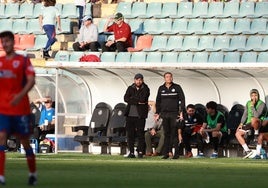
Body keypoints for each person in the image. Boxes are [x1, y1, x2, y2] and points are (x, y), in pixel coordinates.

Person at [0, 31, 37, 185]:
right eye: (2, 42)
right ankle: (1, 175)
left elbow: (31, 80)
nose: (5, 44)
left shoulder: (23, 61)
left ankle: (32, 173)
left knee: (24, 142)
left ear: (13, 42)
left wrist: (20, 95)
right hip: (3, 109)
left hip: (20, 109)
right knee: (1, 138)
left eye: (7, 41)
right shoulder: (0, 62)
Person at [155, 72, 185, 159]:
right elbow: (158, 101)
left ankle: (176, 153)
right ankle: (167, 153)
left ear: (172, 78)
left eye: (170, 77)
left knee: (174, 133)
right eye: (167, 77)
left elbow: (182, 100)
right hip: (164, 114)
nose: (169, 78)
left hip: (174, 113)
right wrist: (157, 113)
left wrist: (181, 111)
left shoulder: (177, 87)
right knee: (166, 134)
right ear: (164, 78)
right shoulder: (161, 88)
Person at [124, 73, 150, 158]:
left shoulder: (146, 88)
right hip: (130, 115)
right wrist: (137, 101)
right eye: (137, 79)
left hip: (140, 115)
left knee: (140, 134)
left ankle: (140, 151)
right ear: (134, 80)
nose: (138, 81)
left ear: (142, 80)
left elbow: (143, 99)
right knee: (130, 135)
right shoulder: (130, 88)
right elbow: (125, 98)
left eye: (140, 80)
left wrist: (132, 99)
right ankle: (131, 152)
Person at [235, 89, 267, 158]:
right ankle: (247, 151)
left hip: (258, 124)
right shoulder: (248, 103)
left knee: (253, 119)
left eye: (255, 95)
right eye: (252, 96)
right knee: (237, 133)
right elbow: (245, 114)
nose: (254, 97)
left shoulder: (262, 104)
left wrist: (252, 106)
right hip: (249, 124)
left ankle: (256, 135)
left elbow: (257, 115)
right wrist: (241, 124)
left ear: (258, 96)